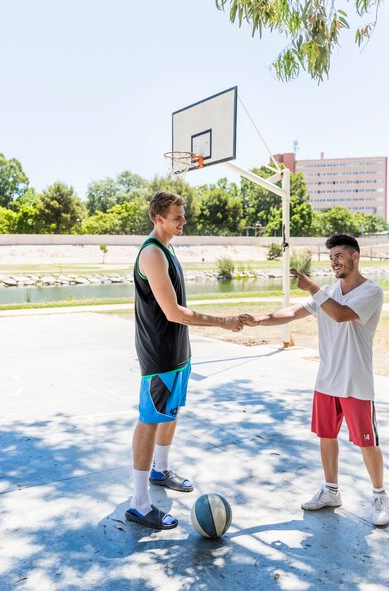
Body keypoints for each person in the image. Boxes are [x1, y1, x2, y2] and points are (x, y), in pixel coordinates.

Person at [242, 234, 389, 526]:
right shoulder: (327, 291)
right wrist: (260, 319)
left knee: (367, 442)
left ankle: (379, 495)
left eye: (340, 255)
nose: (334, 261)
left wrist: (312, 288)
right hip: (326, 380)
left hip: (356, 381)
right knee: (326, 437)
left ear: (354, 257)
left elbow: (340, 315)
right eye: (331, 256)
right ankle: (331, 491)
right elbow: (293, 312)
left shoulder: (371, 291)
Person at [125, 191, 244, 530]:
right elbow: (174, 312)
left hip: (178, 352)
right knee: (149, 420)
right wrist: (223, 321)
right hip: (159, 355)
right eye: (177, 217)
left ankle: (159, 470)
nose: (183, 221)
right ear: (157, 218)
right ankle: (139, 502)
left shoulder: (168, 247)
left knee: (170, 413)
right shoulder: (151, 254)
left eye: (183, 215)